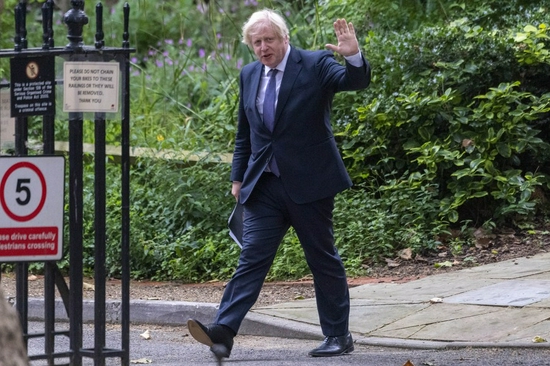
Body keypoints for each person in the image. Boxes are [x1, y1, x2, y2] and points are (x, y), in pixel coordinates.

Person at [188, 8, 371, 360]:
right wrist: (238, 177)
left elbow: (354, 82)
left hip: (310, 183)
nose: (262, 47)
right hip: (265, 186)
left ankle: (338, 335)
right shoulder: (249, 74)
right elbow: (247, 132)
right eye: (256, 42)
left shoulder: (315, 64)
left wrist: (353, 57)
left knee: (322, 259)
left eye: (268, 39)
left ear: (284, 38)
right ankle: (223, 332)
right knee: (252, 258)